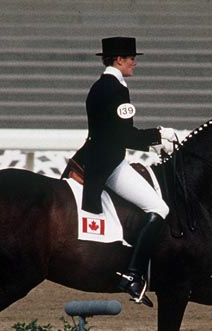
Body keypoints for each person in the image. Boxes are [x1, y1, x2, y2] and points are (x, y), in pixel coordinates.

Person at [76, 36, 177, 307]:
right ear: (118, 60)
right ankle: (133, 274)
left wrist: (153, 143)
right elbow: (124, 136)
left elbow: (116, 133)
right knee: (159, 208)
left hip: (101, 157)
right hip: (109, 165)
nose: (134, 63)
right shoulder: (115, 90)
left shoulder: (104, 86)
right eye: (131, 58)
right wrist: (158, 135)